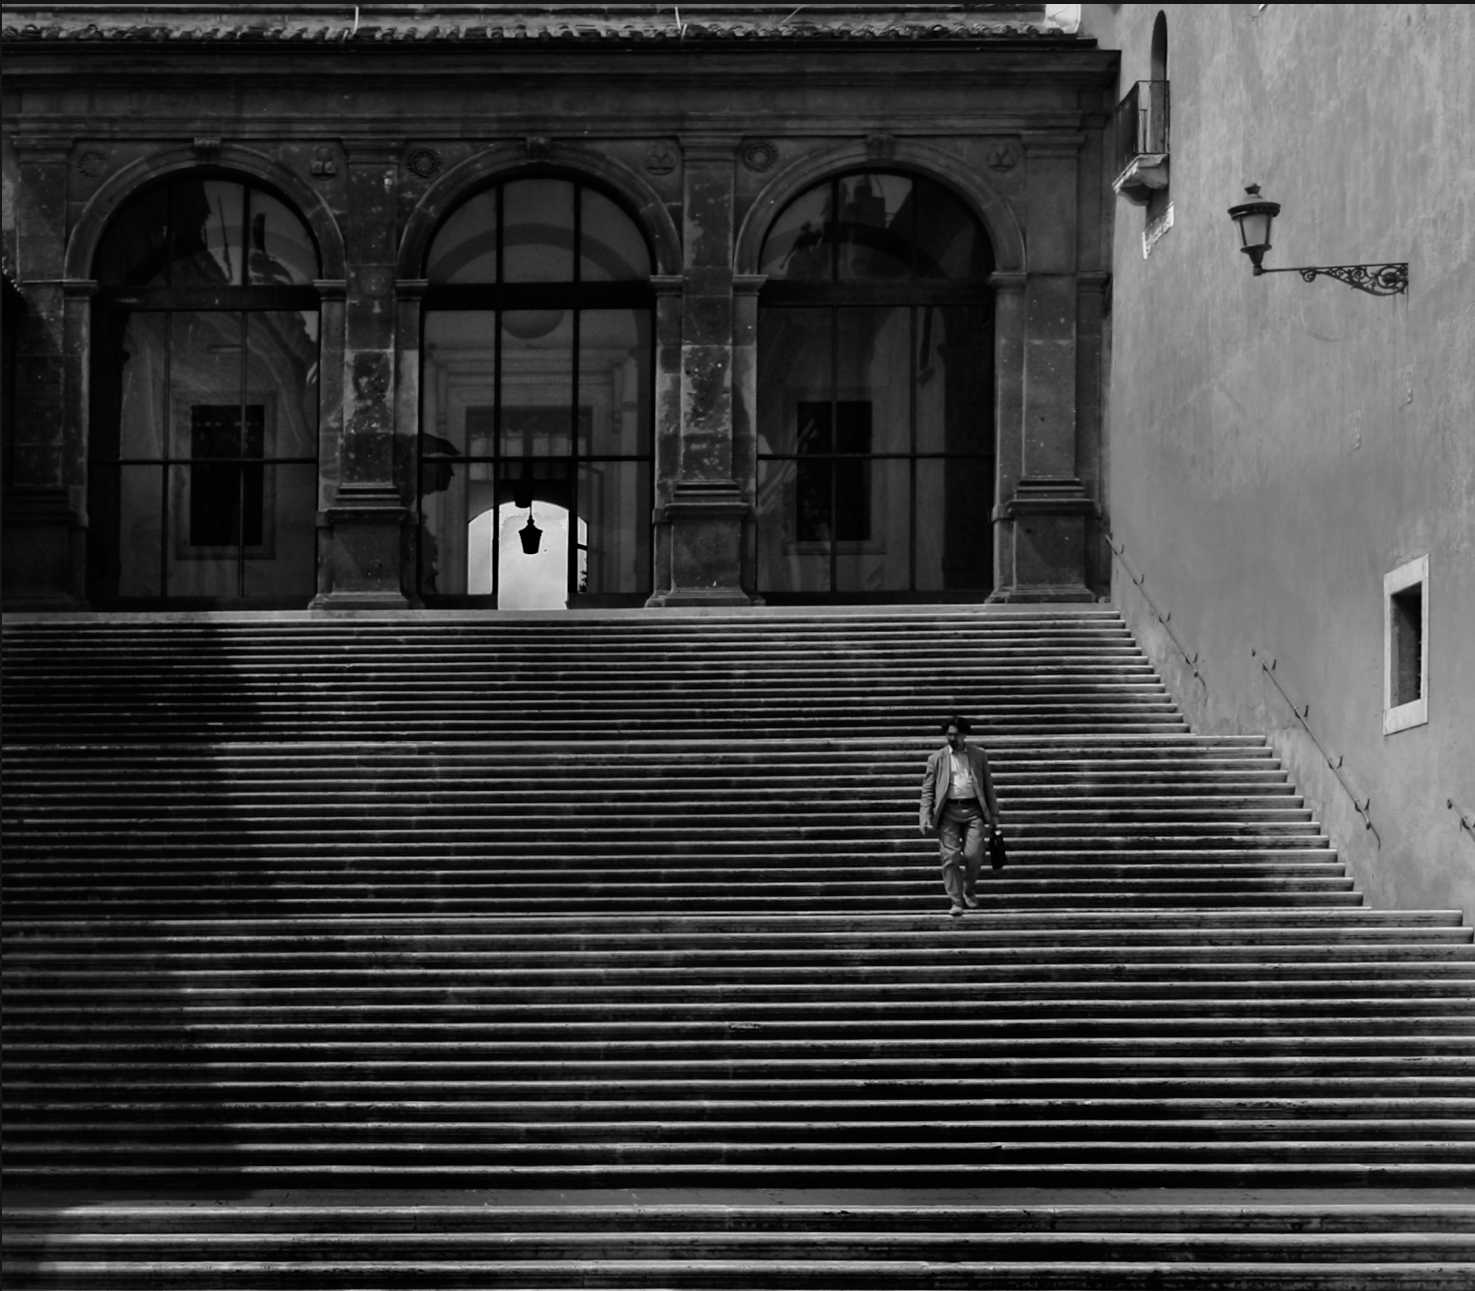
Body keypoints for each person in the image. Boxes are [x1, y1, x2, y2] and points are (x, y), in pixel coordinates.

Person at [919, 715, 1000, 917]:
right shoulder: (936, 759)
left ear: (964, 735)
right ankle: (956, 901)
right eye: (949, 735)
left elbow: (988, 786)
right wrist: (924, 815)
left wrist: (994, 814)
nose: (952, 739)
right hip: (948, 811)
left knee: (974, 854)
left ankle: (968, 888)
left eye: (955, 735)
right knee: (950, 857)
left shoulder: (979, 755)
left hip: (974, 811)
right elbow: (927, 790)